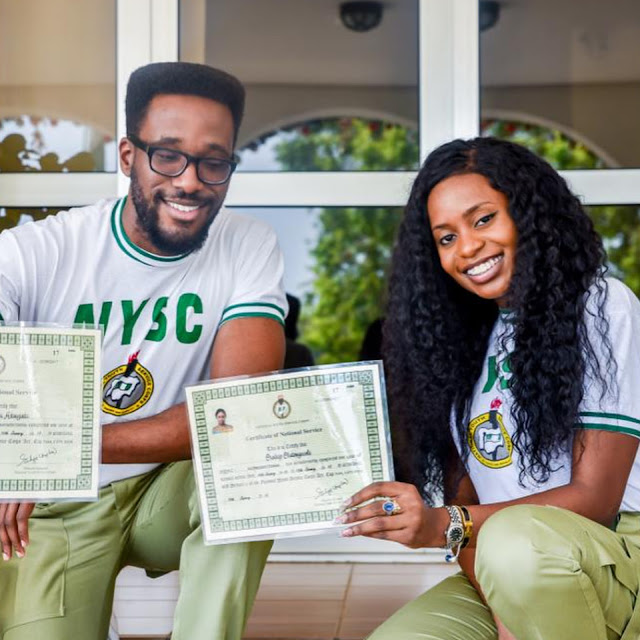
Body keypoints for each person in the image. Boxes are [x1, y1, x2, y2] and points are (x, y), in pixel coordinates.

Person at [0, 62, 287, 640]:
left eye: (213, 162)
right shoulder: (36, 252)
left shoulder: (247, 245)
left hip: (166, 489)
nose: (190, 181)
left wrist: (61, 448)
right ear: (129, 156)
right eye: (168, 155)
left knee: (250, 460)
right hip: (53, 504)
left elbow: (235, 412)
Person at [336, 137, 640, 640]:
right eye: (446, 237)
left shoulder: (601, 306)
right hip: (507, 565)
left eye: (482, 220)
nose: (467, 248)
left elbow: (596, 499)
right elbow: (467, 499)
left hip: (613, 554)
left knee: (515, 544)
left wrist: (445, 524)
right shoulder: (458, 341)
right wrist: (506, 615)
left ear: (529, 214)